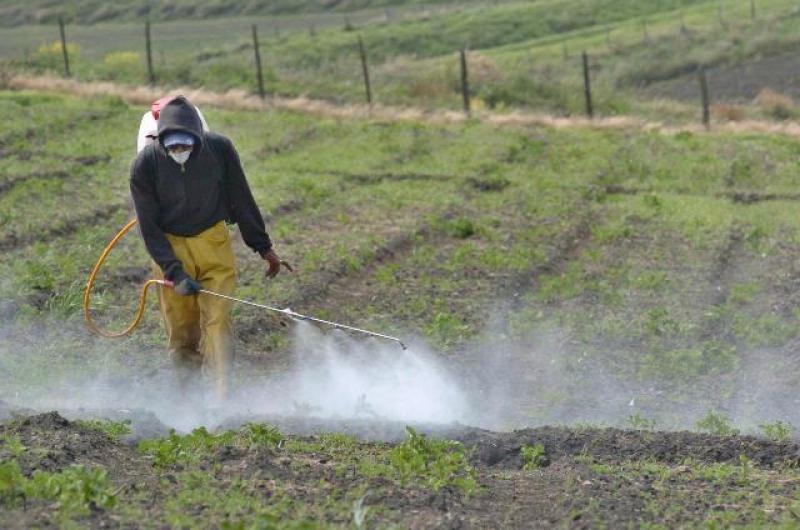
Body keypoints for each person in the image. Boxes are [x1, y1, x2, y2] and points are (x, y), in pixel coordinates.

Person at [129, 95, 290, 402]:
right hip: (169, 248)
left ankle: (220, 400)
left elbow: (241, 197)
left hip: (213, 242)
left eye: (185, 145)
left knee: (218, 322)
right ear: (161, 142)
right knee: (182, 329)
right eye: (173, 147)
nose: (180, 152)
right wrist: (174, 273)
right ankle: (187, 399)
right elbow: (148, 228)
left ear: (198, 139)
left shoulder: (220, 150)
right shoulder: (144, 165)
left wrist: (263, 246)